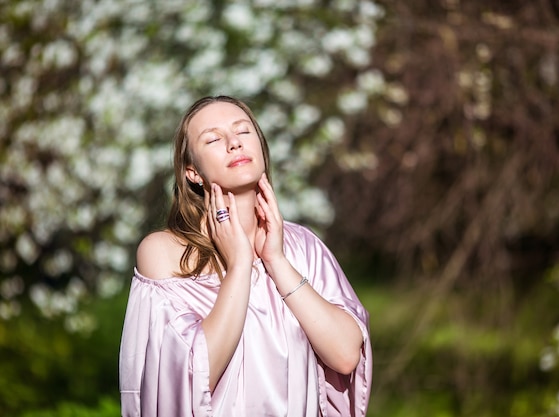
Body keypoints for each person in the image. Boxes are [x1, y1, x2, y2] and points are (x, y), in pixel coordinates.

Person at [118, 95, 372, 416]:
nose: (234, 144)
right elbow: (191, 378)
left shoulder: (303, 247)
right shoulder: (162, 252)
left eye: (243, 132)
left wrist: (276, 261)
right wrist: (239, 264)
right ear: (192, 172)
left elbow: (346, 355)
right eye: (213, 139)